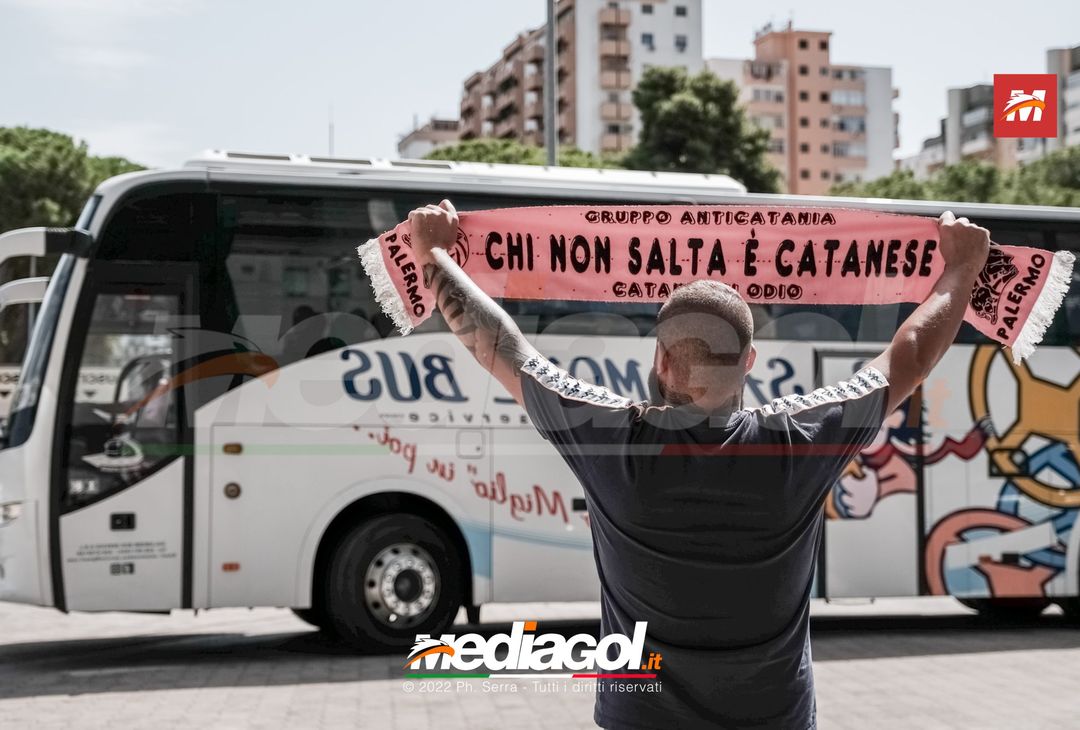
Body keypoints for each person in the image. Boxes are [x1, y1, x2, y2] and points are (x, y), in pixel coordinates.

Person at [406, 200, 990, 729]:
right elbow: (907, 358)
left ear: (660, 360)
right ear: (750, 361)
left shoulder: (613, 441)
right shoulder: (797, 444)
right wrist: (961, 267)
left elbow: (503, 346)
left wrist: (434, 253)